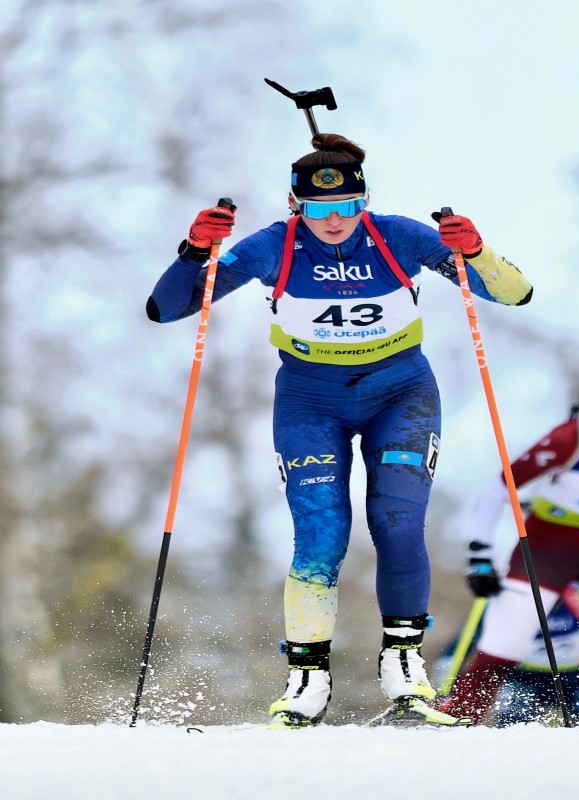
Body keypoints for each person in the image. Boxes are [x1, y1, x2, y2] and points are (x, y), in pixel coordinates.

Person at [146, 132, 533, 728]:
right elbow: (167, 308)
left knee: (398, 522)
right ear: (297, 206)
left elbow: (515, 294)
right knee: (320, 531)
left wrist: (476, 252)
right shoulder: (273, 246)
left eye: (349, 207)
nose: (336, 221)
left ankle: (403, 662)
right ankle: (307, 677)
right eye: (321, 210)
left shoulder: (399, 236)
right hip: (309, 400)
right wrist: (195, 252)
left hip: (400, 393)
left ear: (365, 203)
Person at [439, 380, 579, 725]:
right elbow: (499, 487)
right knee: (503, 643)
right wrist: (479, 556)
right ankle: (461, 717)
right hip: (553, 546)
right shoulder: (572, 436)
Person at [437, 582, 579, 726]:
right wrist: (446, 691)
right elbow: (462, 644)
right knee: (514, 724)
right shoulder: (513, 595)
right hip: (522, 678)